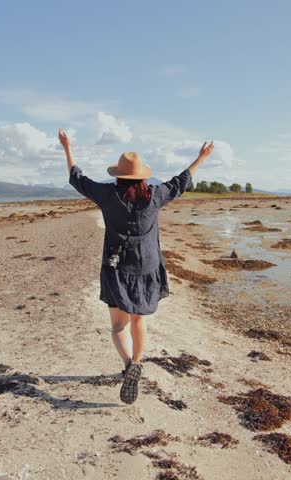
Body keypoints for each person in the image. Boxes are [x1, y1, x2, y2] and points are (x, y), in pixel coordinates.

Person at [59, 128, 214, 404]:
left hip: (116, 267)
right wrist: (200, 157)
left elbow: (77, 178)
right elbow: (182, 181)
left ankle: (129, 365)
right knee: (138, 320)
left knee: (118, 326)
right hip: (146, 267)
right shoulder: (154, 195)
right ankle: (138, 362)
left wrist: (67, 146)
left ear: (118, 175)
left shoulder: (107, 195)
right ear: (142, 175)